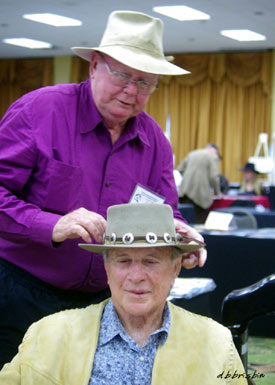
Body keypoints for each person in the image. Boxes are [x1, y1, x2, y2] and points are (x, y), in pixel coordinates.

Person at [0, 10, 206, 367]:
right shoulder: (39, 111)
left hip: (101, 306)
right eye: (123, 75)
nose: (131, 91)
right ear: (94, 65)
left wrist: (180, 235)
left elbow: (163, 212)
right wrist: (51, 224)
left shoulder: (155, 140)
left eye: (145, 82)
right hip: (21, 295)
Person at [0, 203, 247, 385]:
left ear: (175, 270)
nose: (136, 275)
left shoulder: (215, 343)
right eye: (123, 260)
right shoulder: (48, 335)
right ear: (107, 269)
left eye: (151, 261)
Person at [177, 144, 221, 223]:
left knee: (184, 221)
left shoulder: (192, 153)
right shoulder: (213, 156)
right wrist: (217, 192)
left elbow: (180, 169)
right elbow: (213, 177)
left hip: (184, 192)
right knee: (199, 223)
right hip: (200, 195)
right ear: (216, 152)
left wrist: (188, 179)